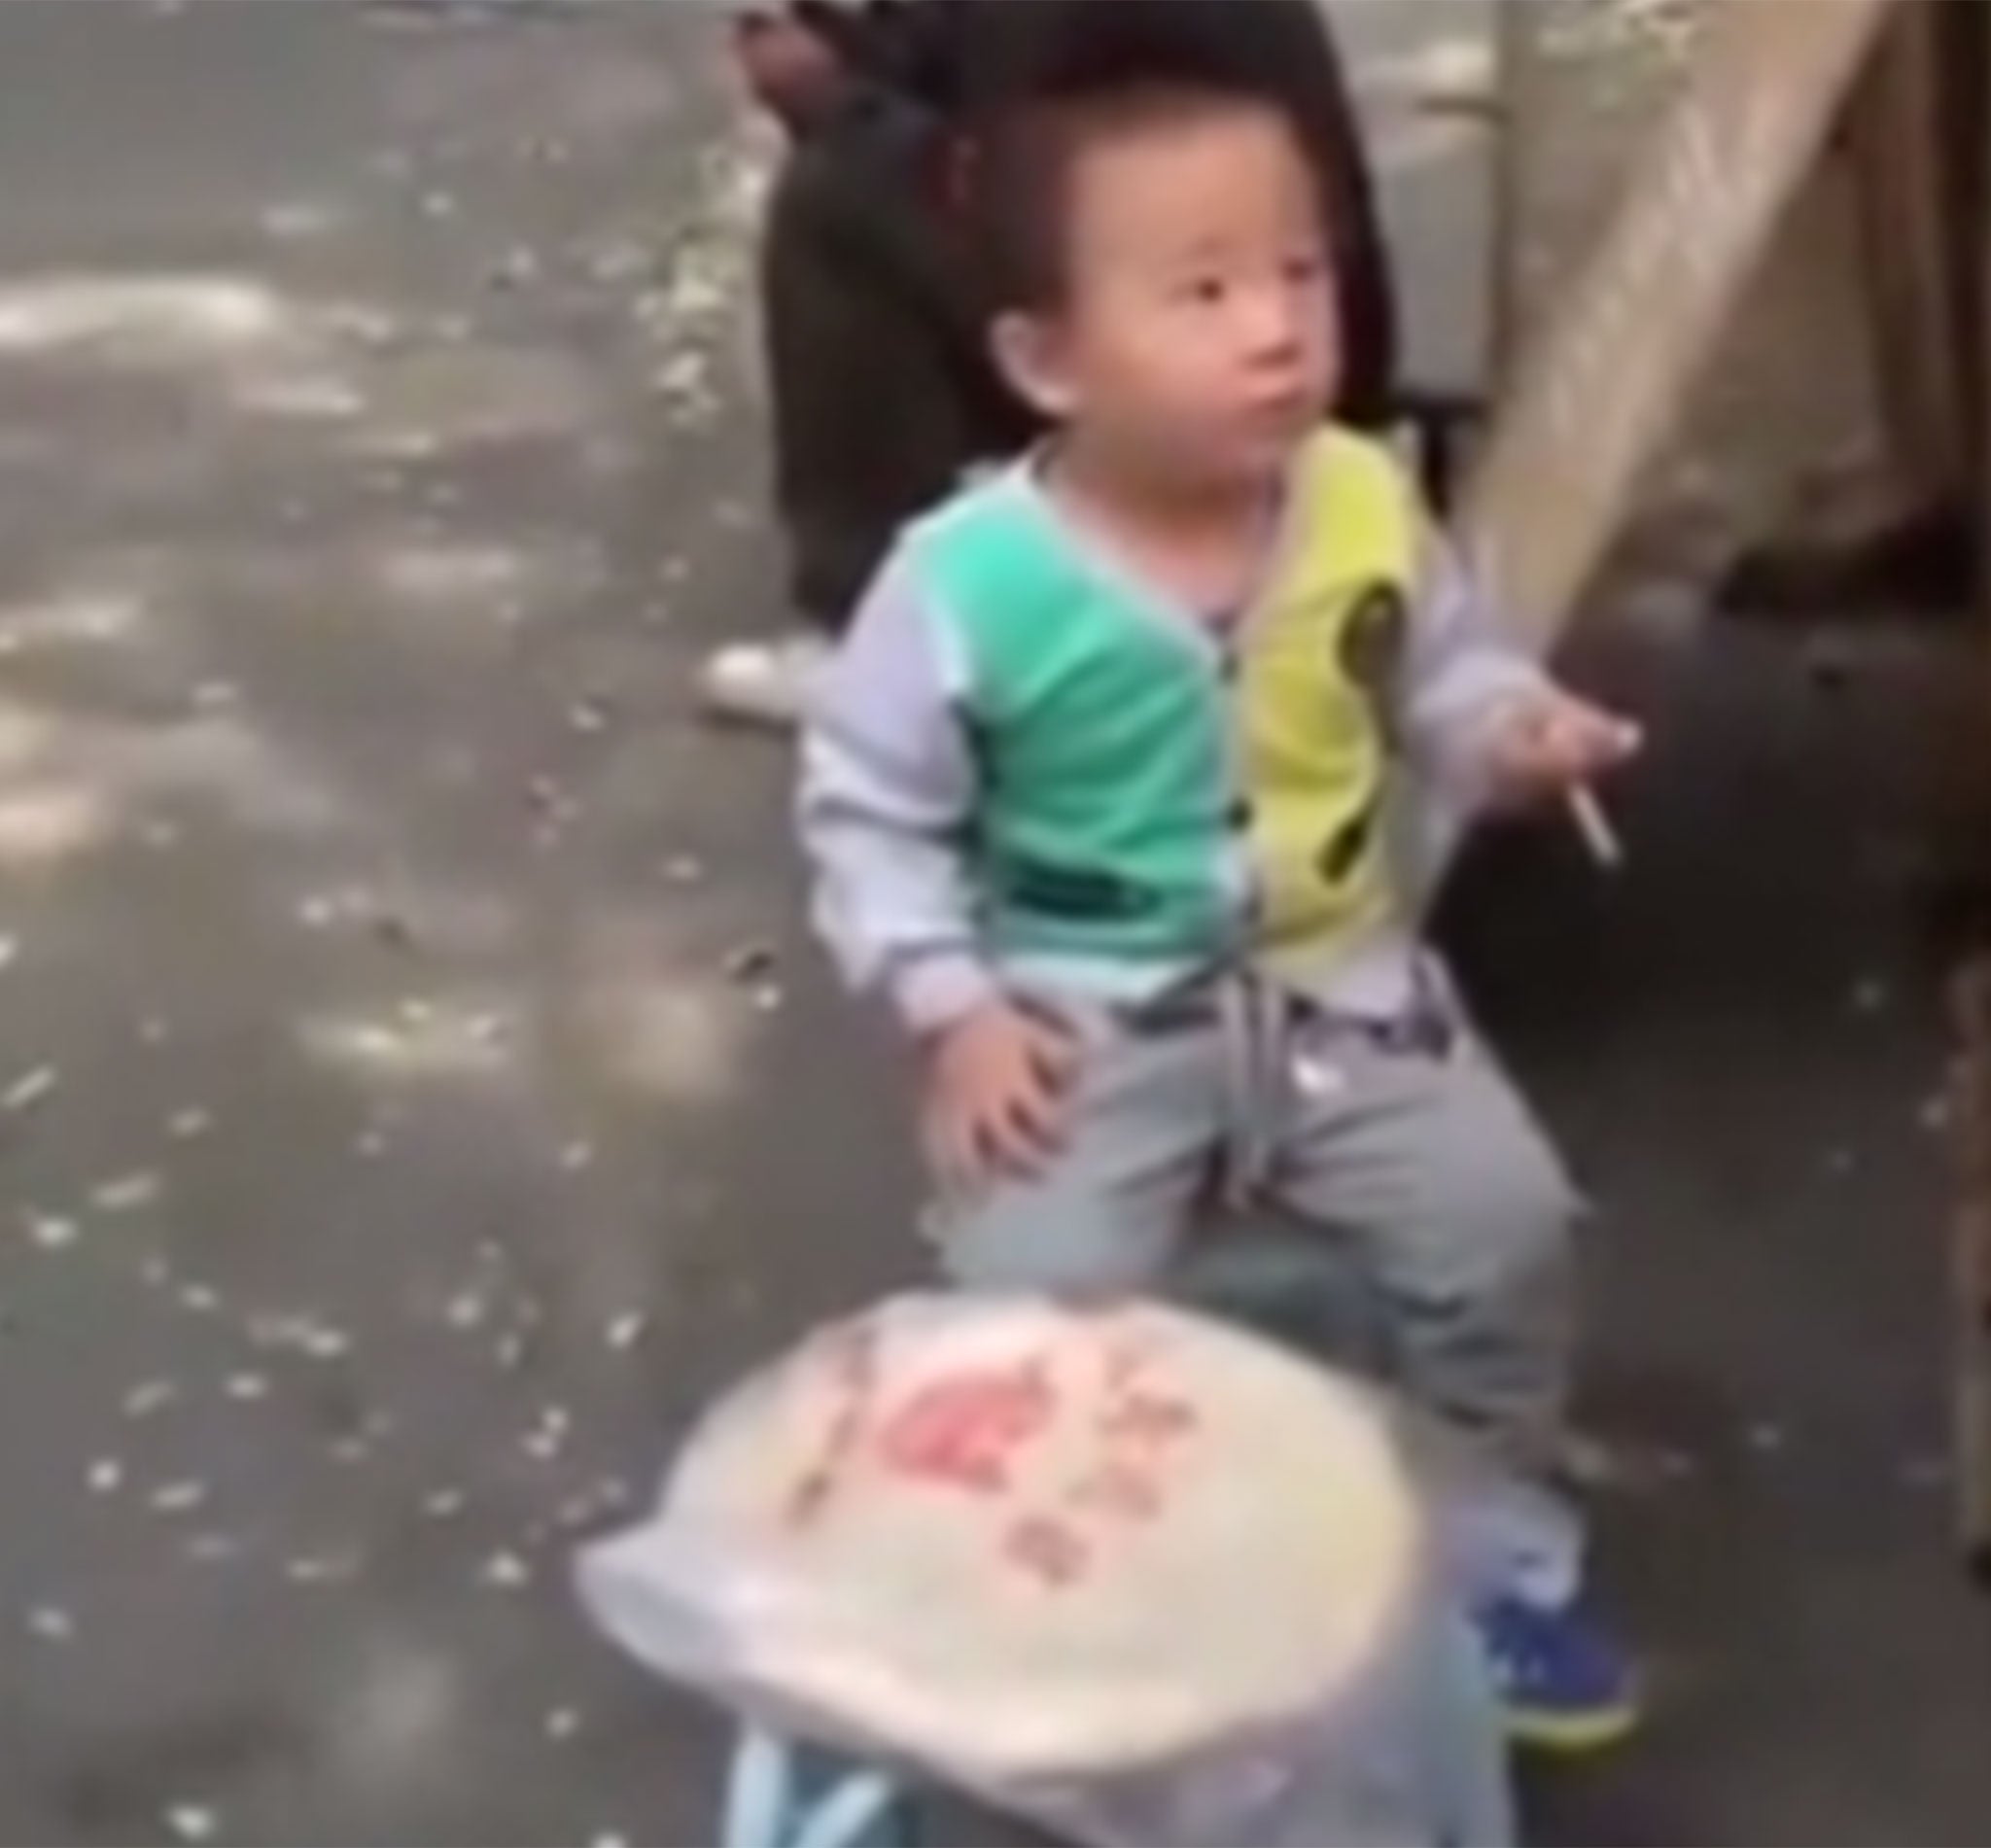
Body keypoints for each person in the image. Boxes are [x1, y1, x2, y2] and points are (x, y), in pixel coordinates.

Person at [797, 8, 1643, 1749]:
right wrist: (947, 1007)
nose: (1274, 330)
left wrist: (1510, 730)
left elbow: (1439, 671)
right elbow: (867, 811)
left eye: (1300, 275)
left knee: (1503, 1235)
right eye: (1199, 294)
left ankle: (1485, 1552)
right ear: (1047, 362)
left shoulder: (1351, 501)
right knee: (1031, 1297)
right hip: (1083, 1009)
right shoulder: (969, 582)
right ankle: (1073, 1589)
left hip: (1344, 985)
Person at [704, 0, 1399, 727]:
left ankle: (870, 629)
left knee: (837, 197)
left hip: (1215, 332)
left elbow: (1019, 177)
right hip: (1295, 310)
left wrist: (830, 99)